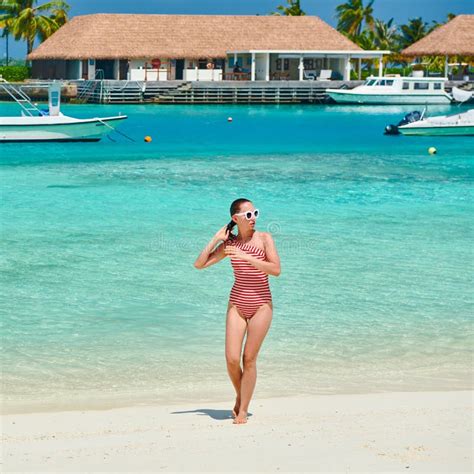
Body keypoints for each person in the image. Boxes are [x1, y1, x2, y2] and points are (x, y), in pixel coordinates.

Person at [194, 198, 281, 424]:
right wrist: (216, 238)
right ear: (236, 219)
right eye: (248, 215)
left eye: (256, 214)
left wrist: (246, 257)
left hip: (261, 304)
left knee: (248, 358)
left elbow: (276, 270)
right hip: (237, 304)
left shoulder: (264, 239)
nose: (253, 219)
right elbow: (200, 264)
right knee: (232, 359)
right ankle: (241, 394)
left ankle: (243, 409)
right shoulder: (229, 245)